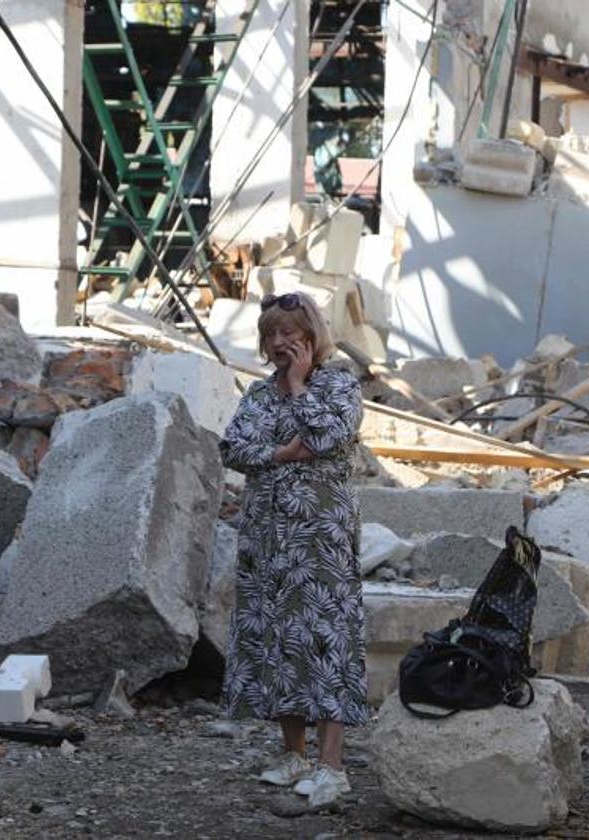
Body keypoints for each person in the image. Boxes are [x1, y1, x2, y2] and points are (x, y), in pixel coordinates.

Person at [218, 290, 367, 809]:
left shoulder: (339, 382)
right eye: (271, 335)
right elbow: (233, 446)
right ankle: (293, 754)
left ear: (312, 336)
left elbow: (332, 435)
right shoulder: (259, 395)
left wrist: (301, 389)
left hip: (319, 539)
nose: (280, 343)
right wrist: (281, 452)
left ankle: (332, 766)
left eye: (289, 333)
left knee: (325, 640)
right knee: (277, 638)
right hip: (266, 540)